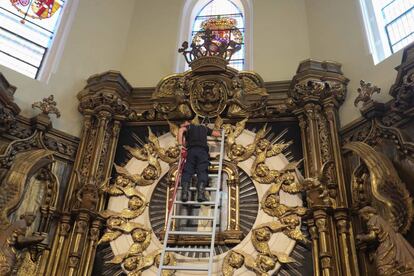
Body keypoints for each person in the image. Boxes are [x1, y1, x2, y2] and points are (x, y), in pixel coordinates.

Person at [178, 120, 221, 202]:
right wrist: (224, 132)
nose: (182, 126)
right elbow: (217, 134)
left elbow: (180, 131)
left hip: (191, 151)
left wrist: (180, 145)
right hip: (202, 152)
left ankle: (184, 194)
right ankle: (200, 195)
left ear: (187, 122)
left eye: (182, 124)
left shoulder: (188, 127)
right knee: (202, 171)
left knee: (187, 171)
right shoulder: (204, 128)